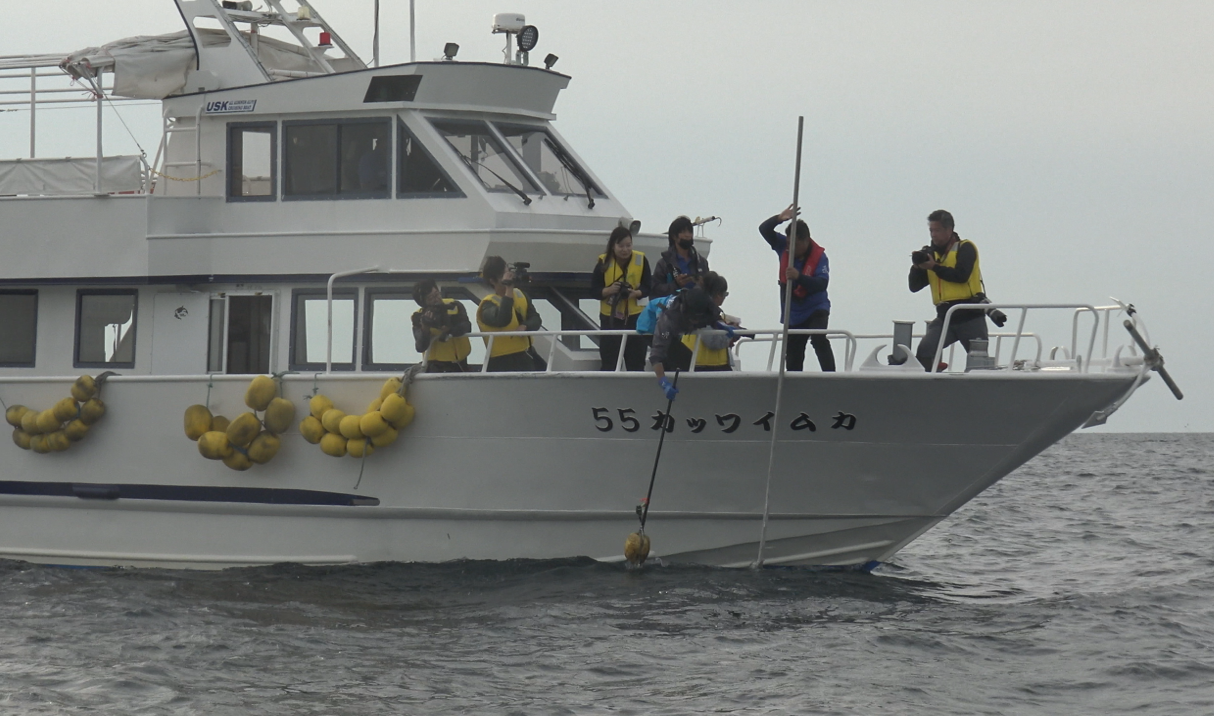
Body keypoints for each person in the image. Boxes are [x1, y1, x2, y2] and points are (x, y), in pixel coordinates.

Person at [909, 209, 989, 371]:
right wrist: (917, 267)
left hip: (970, 315)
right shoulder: (931, 255)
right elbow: (914, 286)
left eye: (937, 230)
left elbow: (961, 276)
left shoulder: (965, 248)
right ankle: (930, 380)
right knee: (925, 349)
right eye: (931, 230)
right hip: (945, 316)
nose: (933, 235)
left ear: (949, 229)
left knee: (978, 361)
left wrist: (934, 267)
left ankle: (982, 385)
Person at [759, 205, 835, 372]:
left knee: (818, 338)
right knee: (793, 353)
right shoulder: (782, 246)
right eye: (789, 243)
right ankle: (793, 382)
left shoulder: (820, 257)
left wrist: (799, 277)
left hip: (816, 308)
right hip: (794, 312)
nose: (791, 248)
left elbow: (821, 284)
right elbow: (763, 230)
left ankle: (831, 376)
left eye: (795, 244)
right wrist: (778, 219)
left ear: (806, 241)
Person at [649, 285, 730, 399]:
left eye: (699, 318)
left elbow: (714, 319)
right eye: (693, 317)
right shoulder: (668, 320)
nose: (696, 321)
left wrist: (723, 327)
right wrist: (663, 382)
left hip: (684, 327)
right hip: (653, 328)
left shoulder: (710, 308)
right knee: (675, 356)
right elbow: (656, 355)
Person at [591, 226, 652, 371]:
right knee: (609, 363)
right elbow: (593, 291)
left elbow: (648, 286)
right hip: (610, 319)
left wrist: (636, 293)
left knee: (637, 363)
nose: (625, 249)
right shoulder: (603, 263)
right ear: (613, 246)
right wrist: (609, 290)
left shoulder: (641, 260)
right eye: (621, 246)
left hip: (636, 318)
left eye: (628, 245)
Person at [476, 256, 543, 372]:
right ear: (492, 281)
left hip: (526, 355)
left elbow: (536, 319)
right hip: (502, 361)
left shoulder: (521, 295)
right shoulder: (487, 305)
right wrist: (509, 289)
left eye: (508, 272)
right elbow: (503, 319)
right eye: (503, 275)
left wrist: (525, 326)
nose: (508, 276)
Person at [410, 279, 472, 373]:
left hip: (461, 364)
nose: (436, 299)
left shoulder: (454, 306)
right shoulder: (419, 317)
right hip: (435, 367)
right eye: (431, 298)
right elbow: (420, 347)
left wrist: (450, 329)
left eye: (437, 294)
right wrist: (425, 327)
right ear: (423, 303)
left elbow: (467, 326)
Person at [681, 272, 737, 371]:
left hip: (694, 364)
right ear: (718, 295)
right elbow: (712, 341)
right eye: (725, 294)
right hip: (705, 367)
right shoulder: (702, 312)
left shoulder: (696, 309)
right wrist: (732, 335)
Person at [650, 216, 710, 298]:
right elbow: (655, 290)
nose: (687, 235)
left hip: (697, 304)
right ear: (674, 236)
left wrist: (703, 284)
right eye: (683, 232)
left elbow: (710, 289)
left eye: (690, 232)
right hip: (672, 305)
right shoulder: (664, 263)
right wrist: (676, 284)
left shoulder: (701, 262)